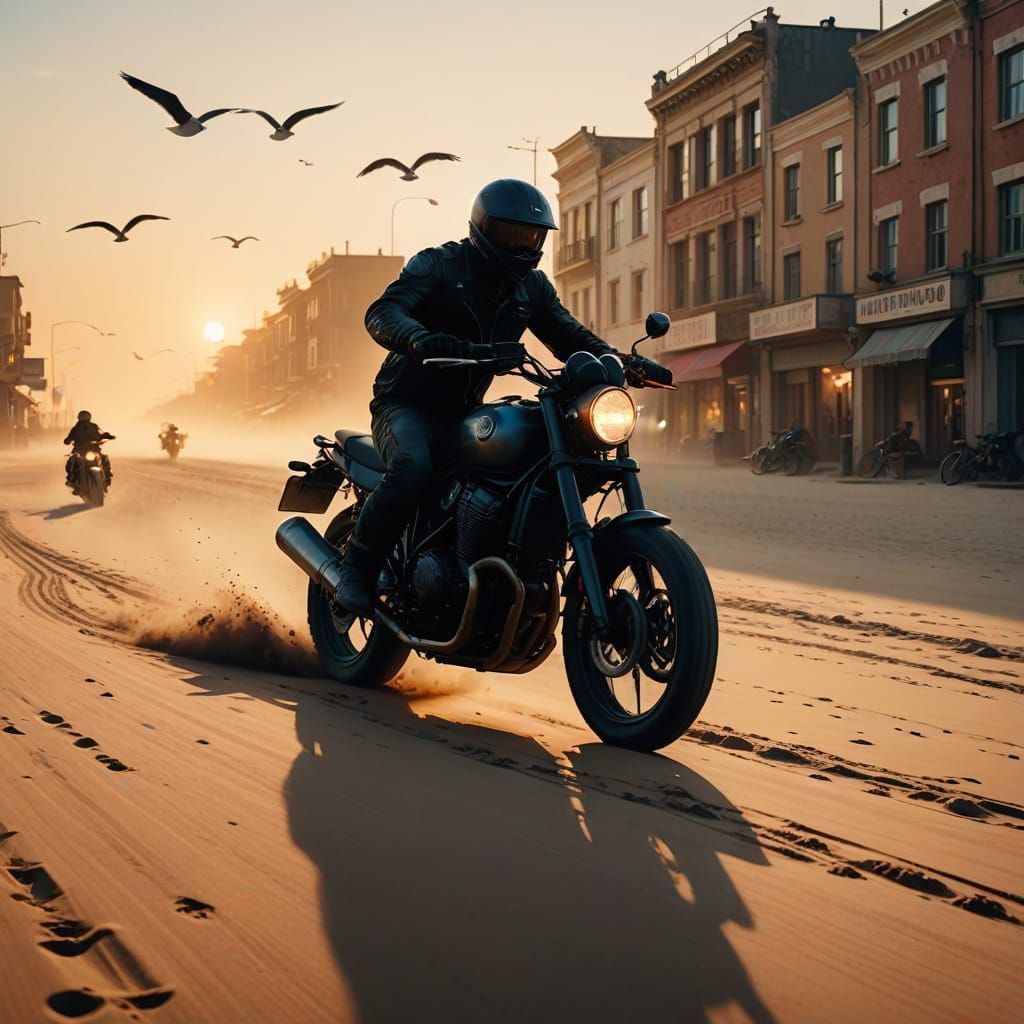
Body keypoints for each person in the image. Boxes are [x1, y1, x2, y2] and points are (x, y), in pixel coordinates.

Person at [334, 178, 672, 614]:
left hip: (462, 412)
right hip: (405, 403)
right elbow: (382, 312)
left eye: (531, 236)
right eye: (512, 234)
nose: (522, 244)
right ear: (484, 230)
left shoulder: (532, 288)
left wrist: (620, 361)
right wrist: (422, 340)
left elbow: (570, 337)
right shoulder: (438, 265)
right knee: (413, 465)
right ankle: (356, 573)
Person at [63, 410, 114, 486]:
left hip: (92, 449)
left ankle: (107, 477)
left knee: (104, 458)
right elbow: (68, 439)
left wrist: (107, 436)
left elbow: (101, 434)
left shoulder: (92, 426)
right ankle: (71, 480)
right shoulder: (79, 428)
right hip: (81, 450)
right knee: (72, 462)